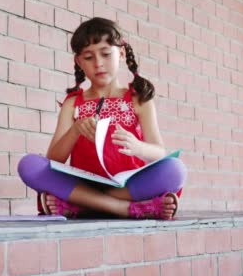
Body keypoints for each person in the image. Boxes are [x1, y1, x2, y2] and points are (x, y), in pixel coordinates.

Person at [18, 17, 187, 220]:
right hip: (83, 184)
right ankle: (126, 209)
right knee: (29, 165)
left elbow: (159, 152)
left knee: (175, 170)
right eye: (88, 57)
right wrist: (75, 130)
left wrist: (138, 147)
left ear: (122, 53)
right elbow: (54, 160)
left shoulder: (138, 99)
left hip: (126, 186)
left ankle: (84, 205)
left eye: (106, 54)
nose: (98, 64)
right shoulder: (73, 103)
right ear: (79, 62)